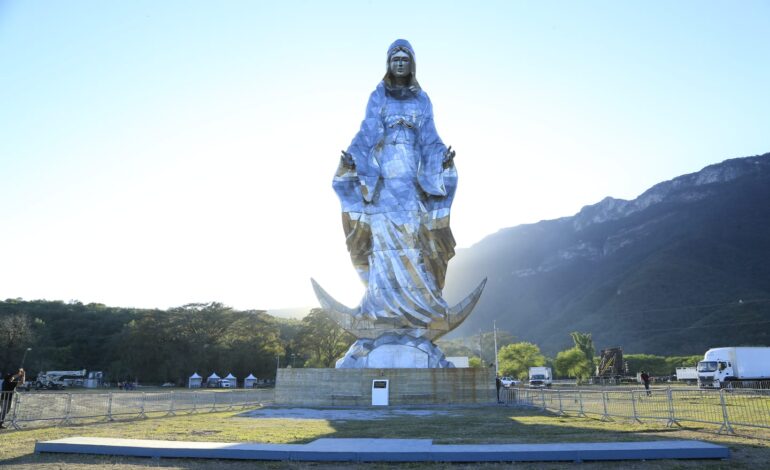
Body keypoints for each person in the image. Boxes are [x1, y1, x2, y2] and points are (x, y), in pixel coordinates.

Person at [333, 39, 457, 326]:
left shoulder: (422, 100)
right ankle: (379, 308)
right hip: (383, 179)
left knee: (414, 237)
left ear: (412, 64)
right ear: (388, 64)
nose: (400, 63)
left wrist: (441, 161)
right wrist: (352, 160)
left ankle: (419, 307)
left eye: (405, 59)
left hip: (411, 179)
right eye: (395, 59)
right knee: (381, 238)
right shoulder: (378, 97)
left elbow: (430, 137)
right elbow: (366, 132)